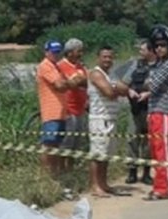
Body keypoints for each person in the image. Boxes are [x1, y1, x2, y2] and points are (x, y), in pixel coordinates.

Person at [141, 25, 168, 201]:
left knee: (162, 151)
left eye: (163, 45)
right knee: (156, 151)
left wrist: (151, 83)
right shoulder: (160, 64)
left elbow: (151, 84)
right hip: (155, 109)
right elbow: (149, 83)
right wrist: (151, 84)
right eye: (156, 45)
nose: (159, 49)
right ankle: (159, 185)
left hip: (164, 112)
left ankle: (162, 188)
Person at [36, 40, 83, 181]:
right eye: (53, 52)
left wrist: (71, 81)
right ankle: (47, 178)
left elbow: (67, 83)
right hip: (51, 113)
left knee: (56, 146)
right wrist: (73, 81)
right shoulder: (46, 66)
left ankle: (56, 177)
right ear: (46, 52)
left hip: (61, 112)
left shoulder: (55, 67)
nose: (55, 55)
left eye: (58, 52)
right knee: (49, 145)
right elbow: (60, 85)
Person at [87, 45, 129, 197]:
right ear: (98, 57)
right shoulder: (96, 73)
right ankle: (94, 186)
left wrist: (116, 87)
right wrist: (115, 88)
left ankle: (103, 183)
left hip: (111, 118)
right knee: (97, 153)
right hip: (99, 118)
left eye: (110, 57)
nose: (107, 60)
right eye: (104, 57)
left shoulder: (111, 74)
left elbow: (125, 89)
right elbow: (109, 92)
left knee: (106, 153)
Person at [124, 40, 155, 185]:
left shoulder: (158, 66)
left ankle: (147, 173)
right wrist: (129, 90)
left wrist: (148, 93)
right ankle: (132, 171)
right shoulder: (134, 65)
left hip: (150, 108)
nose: (140, 53)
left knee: (148, 143)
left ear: (150, 51)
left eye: (142, 50)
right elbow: (123, 83)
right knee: (132, 139)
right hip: (135, 108)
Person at [58, 38, 89, 157]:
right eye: (78, 51)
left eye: (82, 51)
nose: (81, 54)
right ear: (69, 52)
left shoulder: (81, 66)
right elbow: (65, 84)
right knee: (66, 142)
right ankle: (62, 170)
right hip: (68, 109)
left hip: (80, 109)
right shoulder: (61, 66)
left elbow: (87, 82)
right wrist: (76, 81)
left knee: (77, 144)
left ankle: (71, 170)